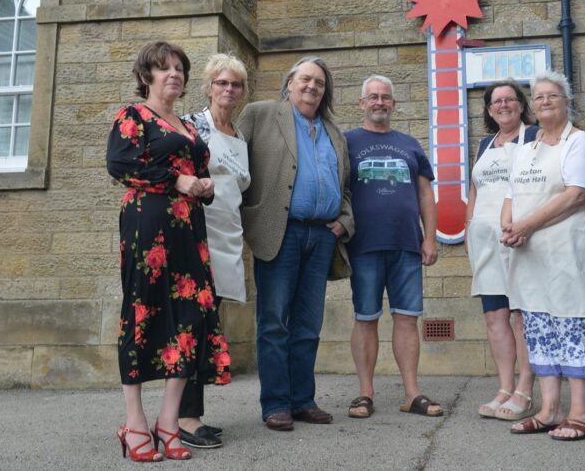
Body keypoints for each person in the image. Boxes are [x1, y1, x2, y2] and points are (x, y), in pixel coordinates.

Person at [107, 41, 231, 462]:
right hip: (148, 226)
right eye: (164, 69)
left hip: (188, 232)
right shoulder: (133, 116)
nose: (173, 74)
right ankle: (135, 423)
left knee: (191, 316)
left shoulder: (190, 127)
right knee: (143, 313)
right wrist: (177, 181)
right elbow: (120, 164)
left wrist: (204, 186)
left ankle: (168, 421)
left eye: (179, 68)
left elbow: (199, 171)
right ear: (147, 76)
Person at [502, 71, 585, 440]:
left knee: (573, 326)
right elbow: (511, 195)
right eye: (538, 97)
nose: (544, 102)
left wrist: (525, 225)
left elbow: (575, 194)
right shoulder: (525, 147)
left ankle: (582, 413)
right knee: (540, 327)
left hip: (567, 249)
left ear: (567, 101)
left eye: (552, 96)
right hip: (530, 253)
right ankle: (548, 410)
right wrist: (508, 226)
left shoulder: (579, 142)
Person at [236, 56, 354, 432]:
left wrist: (345, 221)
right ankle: (275, 403)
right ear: (289, 83)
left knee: (308, 324)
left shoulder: (334, 132)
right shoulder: (260, 114)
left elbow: (345, 187)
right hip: (279, 232)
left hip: (321, 236)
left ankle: (303, 400)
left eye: (319, 83)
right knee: (274, 322)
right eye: (305, 80)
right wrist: (245, 215)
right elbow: (231, 165)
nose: (312, 87)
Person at [344, 75, 442, 419]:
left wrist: (429, 238)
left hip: (406, 246)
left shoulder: (411, 144)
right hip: (364, 246)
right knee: (366, 318)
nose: (380, 102)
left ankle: (412, 393)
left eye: (386, 97)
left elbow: (425, 194)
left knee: (407, 319)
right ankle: (365, 394)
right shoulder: (346, 142)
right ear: (362, 103)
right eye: (373, 97)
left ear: (394, 104)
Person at [177, 53, 251, 449]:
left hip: (227, 240)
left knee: (207, 329)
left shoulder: (238, 135)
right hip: (196, 239)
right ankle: (185, 419)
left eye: (235, 84)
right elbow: (178, 174)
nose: (228, 89)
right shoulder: (192, 126)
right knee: (191, 327)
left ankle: (192, 414)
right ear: (208, 87)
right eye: (221, 83)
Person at [465, 79, 539, 421]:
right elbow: (476, 194)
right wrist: (469, 234)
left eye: (510, 100)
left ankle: (525, 389)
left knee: (521, 316)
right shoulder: (483, 144)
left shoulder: (535, 137)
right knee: (495, 316)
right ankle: (504, 388)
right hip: (485, 243)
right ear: (489, 110)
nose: (504, 105)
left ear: (522, 105)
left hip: (521, 240)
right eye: (497, 102)